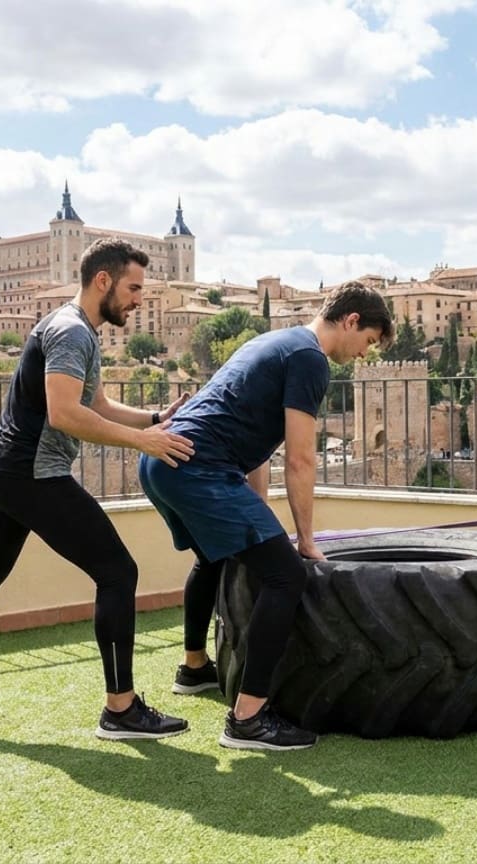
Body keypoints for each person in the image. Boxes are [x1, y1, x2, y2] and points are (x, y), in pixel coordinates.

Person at [0, 238, 196, 740]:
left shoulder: (72, 327)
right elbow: (65, 414)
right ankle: (121, 710)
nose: (139, 300)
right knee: (118, 571)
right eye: (133, 288)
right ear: (103, 280)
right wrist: (143, 442)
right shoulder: (72, 333)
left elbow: (95, 403)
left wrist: (152, 418)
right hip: (29, 476)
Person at [140, 281, 393, 750]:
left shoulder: (273, 342)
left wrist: (257, 513)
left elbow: (256, 446)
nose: (365, 354)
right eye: (370, 341)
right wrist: (305, 540)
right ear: (352, 320)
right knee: (284, 577)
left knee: (213, 558)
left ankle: (194, 669)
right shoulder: (310, 358)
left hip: (161, 462)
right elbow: (300, 458)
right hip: (196, 468)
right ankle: (249, 719)